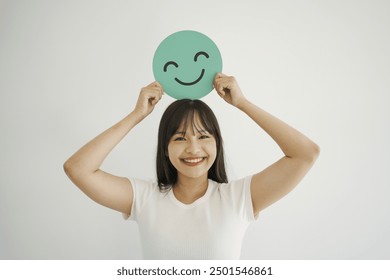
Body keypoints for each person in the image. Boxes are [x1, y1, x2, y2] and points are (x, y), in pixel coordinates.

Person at [63, 73, 320, 259]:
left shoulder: (239, 198)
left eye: (203, 136)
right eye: (180, 138)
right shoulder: (143, 198)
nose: (193, 149)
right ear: (165, 148)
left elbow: (305, 153)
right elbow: (78, 168)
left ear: (217, 144)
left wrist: (242, 103)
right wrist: (137, 115)